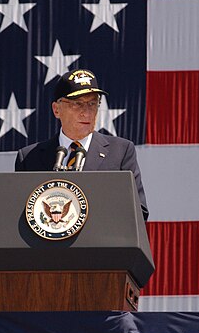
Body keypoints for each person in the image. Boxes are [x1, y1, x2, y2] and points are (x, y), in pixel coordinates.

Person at [15, 68, 148, 220]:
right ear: (56, 110)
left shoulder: (120, 152)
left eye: (92, 104)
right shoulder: (29, 158)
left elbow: (139, 212)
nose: (87, 112)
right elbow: (22, 214)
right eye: (77, 104)